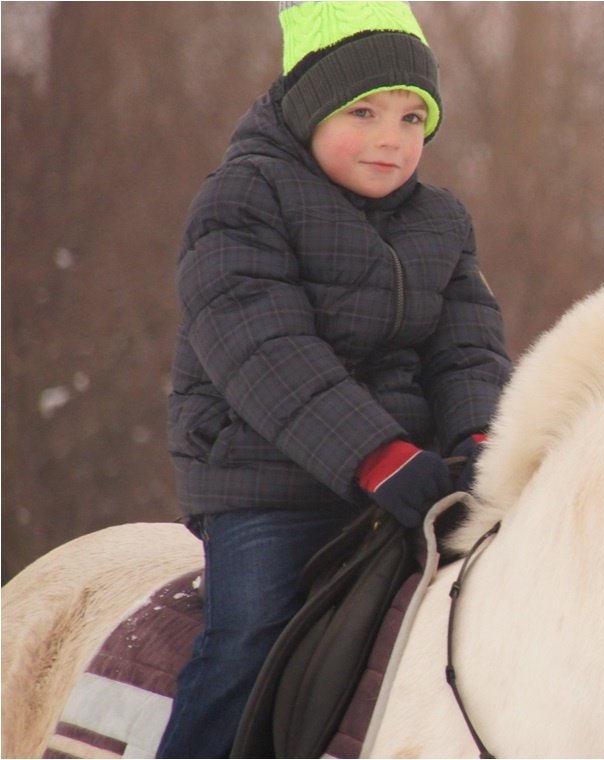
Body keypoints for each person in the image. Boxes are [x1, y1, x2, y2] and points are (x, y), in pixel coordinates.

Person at [158, 2, 511, 756]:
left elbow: (468, 348)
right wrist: (375, 456)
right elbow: (261, 348)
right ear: (307, 108)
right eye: (365, 111)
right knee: (249, 638)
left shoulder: (443, 221)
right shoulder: (243, 199)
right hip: (266, 484)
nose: (392, 138)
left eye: (415, 119)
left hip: (414, 481)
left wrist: (483, 437)